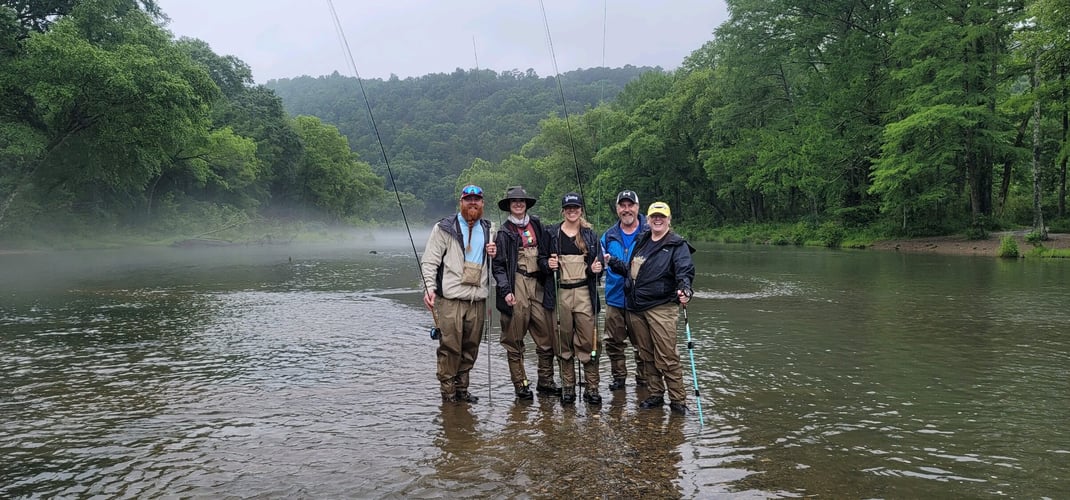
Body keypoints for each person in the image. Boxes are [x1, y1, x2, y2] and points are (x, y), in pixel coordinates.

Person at [605, 201, 695, 415]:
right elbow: (632, 270)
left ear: (668, 220)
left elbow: (685, 271)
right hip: (637, 308)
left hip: (661, 308)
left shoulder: (677, 245)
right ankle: (655, 394)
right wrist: (613, 262)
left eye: (661, 216)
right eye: (654, 216)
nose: (657, 219)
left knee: (667, 356)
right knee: (646, 354)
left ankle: (678, 400)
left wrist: (685, 289)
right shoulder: (642, 240)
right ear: (648, 219)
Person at [420, 184, 497, 404]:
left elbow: (497, 264)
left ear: (482, 203)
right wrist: (429, 288)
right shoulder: (444, 228)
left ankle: (462, 390)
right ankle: (448, 393)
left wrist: (495, 252)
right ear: (460, 202)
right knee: (450, 348)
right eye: (468, 199)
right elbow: (430, 260)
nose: (473, 203)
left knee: (470, 348)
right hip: (451, 300)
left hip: (478, 299)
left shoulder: (490, 229)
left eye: (477, 199)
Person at [492, 186, 560, 400]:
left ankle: (546, 381)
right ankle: (521, 384)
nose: (519, 204)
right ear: (509, 206)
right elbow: (499, 267)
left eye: (522, 201)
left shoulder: (538, 224)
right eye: (514, 202)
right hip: (516, 284)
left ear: (526, 204)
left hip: (538, 284)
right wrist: (505, 291)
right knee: (514, 340)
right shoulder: (503, 233)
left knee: (547, 337)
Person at [547, 192, 605, 405]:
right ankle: (568, 387)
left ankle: (592, 387)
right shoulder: (552, 233)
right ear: (563, 211)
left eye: (576, 208)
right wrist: (548, 265)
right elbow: (543, 260)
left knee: (589, 342)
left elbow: (600, 264)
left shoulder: (590, 235)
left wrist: (597, 267)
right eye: (568, 208)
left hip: (584, 294)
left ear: (581, 210)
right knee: (563, 342)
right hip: (560, 293)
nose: (572, 211)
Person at [600, 189, 647, 391]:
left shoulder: (649, 232)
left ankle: (644, 381)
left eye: (630, 205)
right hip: (615, 298)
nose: (626, 209)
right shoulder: (608, 236)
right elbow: (597, 262)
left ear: (637, 207)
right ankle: (619, 378)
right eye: (622, 205)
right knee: (613, 342)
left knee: (643, 344)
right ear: (617, 208)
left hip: (641, 300)